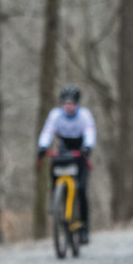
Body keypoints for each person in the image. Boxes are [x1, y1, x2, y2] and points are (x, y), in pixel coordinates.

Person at [37, 84, 96, 243]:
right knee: (54, 171)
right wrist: (42, 146)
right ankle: (55, 201)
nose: (68, 106)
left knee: (82, 189)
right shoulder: (56, 115)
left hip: (80, 151)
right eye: (65, 103)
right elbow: (48, 131)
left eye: (71, 103)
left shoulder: (84, 115)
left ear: (77, 103)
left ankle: (84, 227)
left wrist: (88, 146)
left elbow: (90, 131)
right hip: (63, 150)